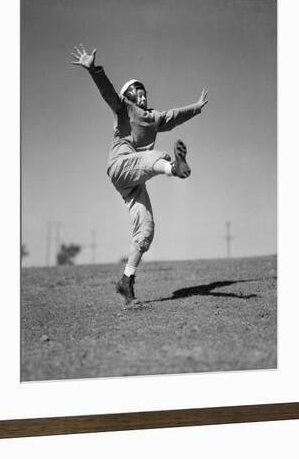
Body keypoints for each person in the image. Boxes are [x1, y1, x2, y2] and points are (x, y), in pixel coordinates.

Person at [71, 44, 208, 305]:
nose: (143, 96)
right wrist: (94, 70)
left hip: (135, 179)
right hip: (121, 164)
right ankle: (173, 168)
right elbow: (108, 92)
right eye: (139, 92)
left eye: (145, 92)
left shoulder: (154, 118)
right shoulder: (123, 108)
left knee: (145, 229)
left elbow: (175, 115)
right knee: (155, 157)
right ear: (131, 94)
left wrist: (197, 107)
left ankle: (126, 281)